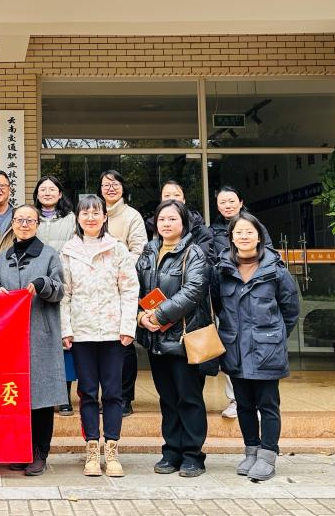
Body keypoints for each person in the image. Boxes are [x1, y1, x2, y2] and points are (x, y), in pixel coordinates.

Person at [212, 210, 300, 483]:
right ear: (231, 238)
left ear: (259, 237)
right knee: (244, 405)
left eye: (249, 232)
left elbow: (290, 310)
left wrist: (273, 337)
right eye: (238, 232)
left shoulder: (276, 270)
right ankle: (251, 450)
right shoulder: (222, 270)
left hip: (266, 350)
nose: (244, 236)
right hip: (235, 348)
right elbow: (217, 305)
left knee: (268, 404)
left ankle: (268, 455)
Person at [60, 195, 138, 478]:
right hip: (82, 333)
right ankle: (92, 448)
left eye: (96, 213)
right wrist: (66, 329)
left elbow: (129, 289)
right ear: (78, 218)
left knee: (114, 392)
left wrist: (127, 327)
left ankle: (112, 448)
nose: (91, 217)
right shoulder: (68, 251)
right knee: (88, 392)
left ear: (105, 217)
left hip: (113, 332)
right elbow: (65, 294)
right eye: (85, 213)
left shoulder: (117, 248)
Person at [136, 200, 215, 479]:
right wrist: (140, 317)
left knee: (188, 398)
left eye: (172, 219)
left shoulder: (193, 253)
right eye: (162, 219)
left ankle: (193, 455)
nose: (166, 224)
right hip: (156, 339)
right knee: (167, 399)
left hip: (183, 338)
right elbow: (135, 288)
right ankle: (171, 451)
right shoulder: (148, 251)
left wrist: (158, 315)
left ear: (183, 223)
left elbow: (193, 291)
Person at [0, 204, 64, 477]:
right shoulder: (4, 256)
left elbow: (60, 289)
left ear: (37, 224)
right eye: (19, 220)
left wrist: (43, 285)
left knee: (41, 397)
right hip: (11, 337)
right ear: (13, 224)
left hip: (41, 333)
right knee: (16, 395)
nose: (24, 224)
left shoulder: (49, 254)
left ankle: (40, 453)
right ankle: (23, 449)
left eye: (30, 220)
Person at [208, 185, 272, 419]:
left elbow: (270, 256)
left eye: (231, 201)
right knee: (231, 350)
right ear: (217, 206)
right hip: (228, 296)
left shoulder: (255, 226)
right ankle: (236, 399)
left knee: (256, 347)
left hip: (255, 295)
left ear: (241, 202)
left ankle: (258, 401)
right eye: (222, 202)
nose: (227, 205)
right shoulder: (212, 231)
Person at [99, 169, 147, 416]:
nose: (110, 188)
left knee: (124, 343)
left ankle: (124, 398)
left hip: (122, 287)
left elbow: (140, 251)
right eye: (105, 184)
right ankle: (107, 396)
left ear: (123, 188)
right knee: (100, 345)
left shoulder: (132, 216)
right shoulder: (94, 213)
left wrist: (117, 270)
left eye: (115, 184)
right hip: (96, 291)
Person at [33, 176, 76, 416]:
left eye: (52, 189)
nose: (47, 193)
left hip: (63, 282)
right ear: (37, 194)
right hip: (36, 286)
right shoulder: (31, 217)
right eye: (43, 189)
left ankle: (64, 396)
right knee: (41, 343)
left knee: (64, 340)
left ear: (60, 194)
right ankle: (43, 393)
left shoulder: (71, 219)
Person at [144, 180, 214, 259]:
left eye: (176, 195)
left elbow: (205, 260)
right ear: (161, 201)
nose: (172, 199)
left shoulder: (200, 230)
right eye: (167, 195)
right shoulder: (149, 228)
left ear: (184, 200)